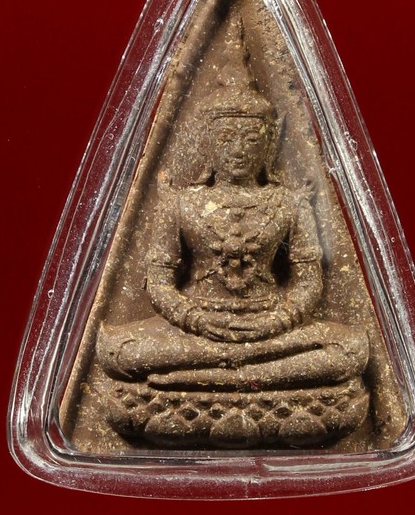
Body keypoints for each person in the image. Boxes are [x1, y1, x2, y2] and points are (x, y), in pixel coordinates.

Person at [97, 52, 370, 447]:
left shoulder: (289, 203)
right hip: (197, 330)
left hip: (270, 328)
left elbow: (308, 280)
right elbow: (159, 282)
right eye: (227, 139)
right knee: (122, 352)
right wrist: (195, 321)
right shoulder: (181, 203)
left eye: (251, 139)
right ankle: (241, 376)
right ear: (208, 144)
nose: (239, 150)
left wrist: (277, 322)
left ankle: (195, 381)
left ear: (268, 145)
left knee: (347, 351)